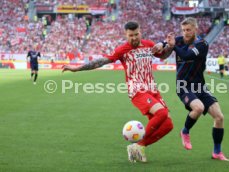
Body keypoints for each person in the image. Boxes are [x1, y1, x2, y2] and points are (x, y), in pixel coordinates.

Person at [62, 21, 174, 163]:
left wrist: (170, 46)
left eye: (136, 34)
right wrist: (77, 68)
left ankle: (139, 146)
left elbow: (163, 56)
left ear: (141, 32)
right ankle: (138, 146)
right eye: (130, 35)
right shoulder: (123, 49)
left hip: (153, 89)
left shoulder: (149, 44)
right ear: (125, 35)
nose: (134, 38)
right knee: (162, 113)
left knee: (168, 125)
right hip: (137, 91)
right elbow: (102, 61)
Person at [153, 17, 229, 161]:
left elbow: (186, 55)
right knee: (198, 108)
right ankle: (185, 131)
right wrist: (161, 43)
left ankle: (217, 152)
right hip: (183, 86)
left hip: (200, 86)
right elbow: (166, 43)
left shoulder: (202, 44)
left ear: (195, 29)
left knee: (219, 117)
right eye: (183, 30)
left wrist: (173, 46)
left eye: (188, 30)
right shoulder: (180, 40)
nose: (186, 33)